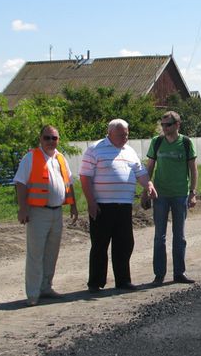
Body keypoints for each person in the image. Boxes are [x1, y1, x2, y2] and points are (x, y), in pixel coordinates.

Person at [80, 119, 157, 291]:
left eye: (127, 134)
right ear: (110, 133)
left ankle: (123, 280)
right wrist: (91, 202)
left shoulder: (129, 151)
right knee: (100, 244)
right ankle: (95, 282)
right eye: (121, 134)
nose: (125, 137)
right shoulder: (95, 149)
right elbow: (85, 177)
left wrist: (148, 185)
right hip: (102, 205)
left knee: (124, 243)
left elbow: (140, 172)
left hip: (124, 205)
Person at [14, 125, 78, 307]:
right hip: (37, 213)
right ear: (40, 139)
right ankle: (33, 293)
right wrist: (23, 208)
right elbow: (20, 183)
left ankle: (46, 287)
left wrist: (73, 205)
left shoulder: (60, 158)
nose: (51, 141)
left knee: (52, 252)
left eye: (54, 138)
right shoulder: (30, 158)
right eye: (47, 138)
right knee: (36, 254)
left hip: (56, 212)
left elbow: (69, 182)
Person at [144, 111, 198, 286]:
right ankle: (159, 275)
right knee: (159, 236)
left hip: (180, 194)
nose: (164, 128)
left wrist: (193, 192)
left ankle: (179, 273)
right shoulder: (156, 142)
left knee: (179, 236)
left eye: (168, 125)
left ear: (177, 125)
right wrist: (146, 190)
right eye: (163, 125)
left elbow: (193, 169)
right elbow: (150, 167)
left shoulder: (186, 143)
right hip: (160, 195)